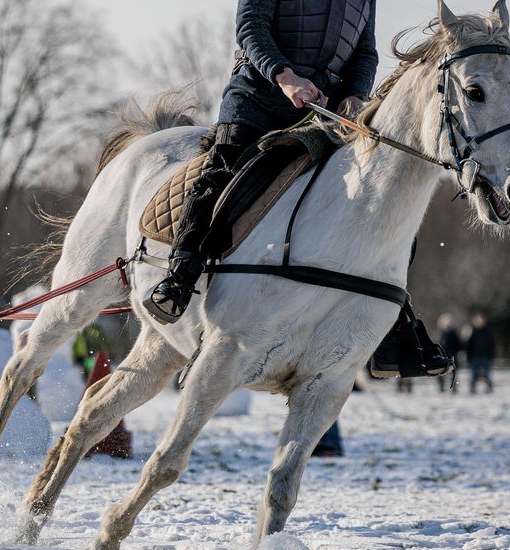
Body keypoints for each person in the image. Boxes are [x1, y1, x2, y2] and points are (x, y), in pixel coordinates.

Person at [142, 0, 452, 379]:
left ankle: (394, 329)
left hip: (325, 112)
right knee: (219, 174)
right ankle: (179, 278)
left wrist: (355, 93)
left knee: (382, 198)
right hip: (258, 98)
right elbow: (251, 27)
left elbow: (364, 51)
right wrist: (285, 77)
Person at [465, 313, 495, 394]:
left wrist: (492, 355)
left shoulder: (488, 331)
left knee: (487, 374)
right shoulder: (471, 331)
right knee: (474, 374)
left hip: (486, 356)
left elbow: (492, 344)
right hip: (474, 356)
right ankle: (472, 389)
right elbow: (468, 345)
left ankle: (489, 388)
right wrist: (469, 356)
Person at [436, 313, 461, 393]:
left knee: (453, 373)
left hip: (452, 356)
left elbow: (459, 346)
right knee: (440, 373)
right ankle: (441, 388)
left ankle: (454, 389)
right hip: (442, 357)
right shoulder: (440, 334)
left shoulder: (454, 334)